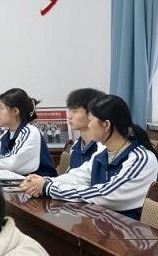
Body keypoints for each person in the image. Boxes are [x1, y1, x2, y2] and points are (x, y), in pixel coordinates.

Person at [20, 94, 158, 220]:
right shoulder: (103, 154)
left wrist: (47, 188)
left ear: (106, 125)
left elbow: (106, 194)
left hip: (128, 230)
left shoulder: (141, 159)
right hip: (102, 222)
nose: (89, 125)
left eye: (91, 120)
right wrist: (43, 181)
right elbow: (77, 177)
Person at [0, 87, 57, 177]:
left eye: (1, 108)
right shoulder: (7, 133)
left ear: (15, 111)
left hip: (39, 183)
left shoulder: (30, 132)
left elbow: (12, 163)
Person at [65, 87, 106, 170]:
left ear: (92, 113)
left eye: (75, 111)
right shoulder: (76, 146)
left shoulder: (104, 147)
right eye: (70, 111)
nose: (69, 116)